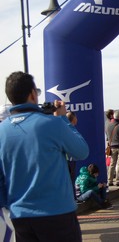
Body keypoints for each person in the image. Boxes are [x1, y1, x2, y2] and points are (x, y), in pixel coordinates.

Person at [0, 71, 89, 241]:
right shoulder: (52, 124)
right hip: (57, 214)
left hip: (20, 217)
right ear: (33, 94)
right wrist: (63, 119)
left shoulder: (2, 131)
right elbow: (81, 151)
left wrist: (11, 204)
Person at [66, 111, 79, 200]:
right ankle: (72, 198)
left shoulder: (63, 129)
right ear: (74, 119)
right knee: (71, 180)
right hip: (69, 159)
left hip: (68, 159)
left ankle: (72, 197)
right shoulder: (71, 130)